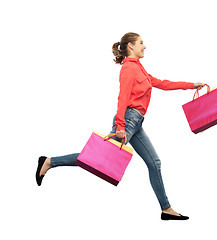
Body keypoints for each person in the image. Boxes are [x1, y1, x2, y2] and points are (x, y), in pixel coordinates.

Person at [36, 32, 205, 221]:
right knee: (95, 158)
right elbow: (123, 97)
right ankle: (50, 161)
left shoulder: (139, 69)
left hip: (136, 123)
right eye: (141, 43)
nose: (145, 46)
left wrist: (192, 85)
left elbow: (163, 84)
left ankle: (166, 209)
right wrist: (120, 125)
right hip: (127, 120)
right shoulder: (128, 69)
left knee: (154, 163)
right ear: (131, 46)